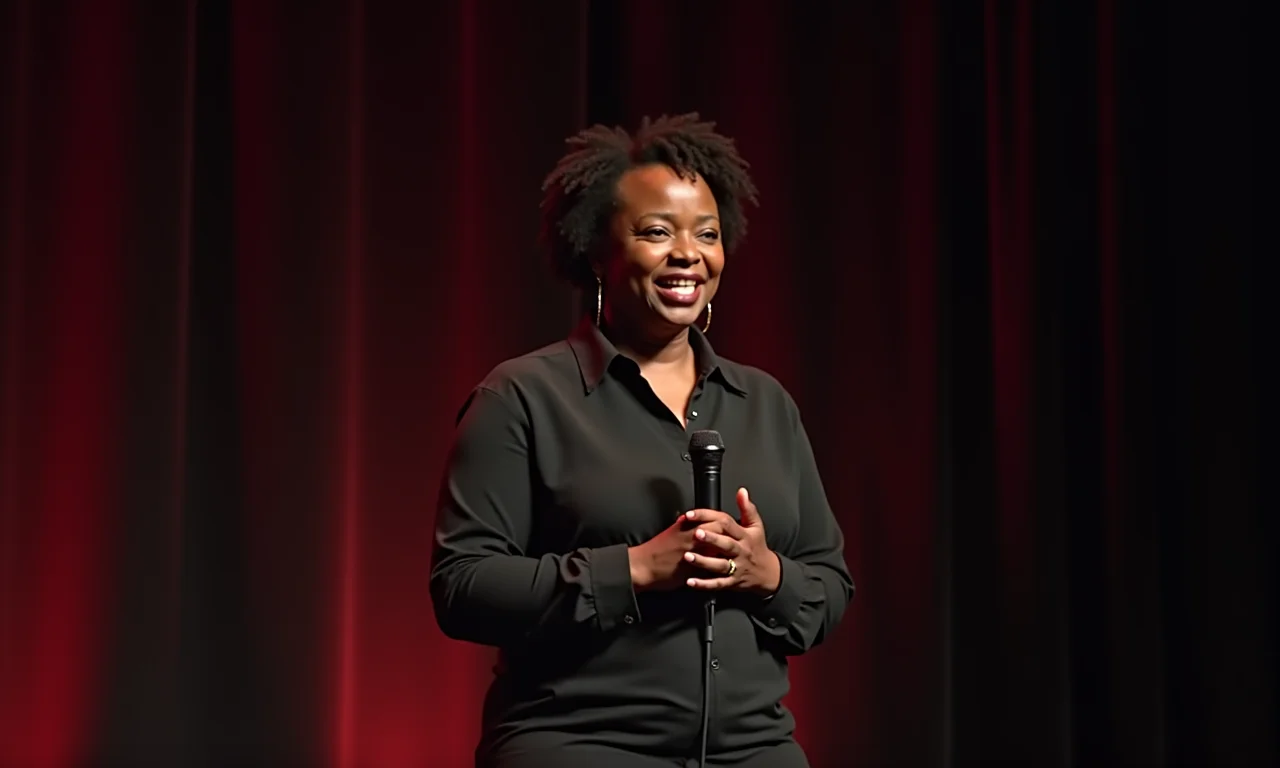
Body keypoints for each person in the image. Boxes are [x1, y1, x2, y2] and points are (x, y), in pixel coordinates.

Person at [430, 113, 854, 768]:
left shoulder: (766, 404)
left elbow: (829, 584)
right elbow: (462, 587)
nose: (688, 252)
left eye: (706, 234)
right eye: (657, 231)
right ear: (597, 251)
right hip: (579, 746)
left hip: (754, 750)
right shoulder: (521, 398)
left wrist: (764, 573)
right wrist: (635, 569)